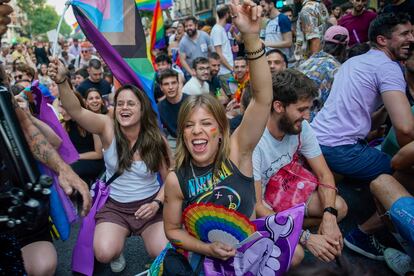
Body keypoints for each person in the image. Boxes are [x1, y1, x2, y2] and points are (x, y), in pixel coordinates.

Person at [163, 0, 274, 272]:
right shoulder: (176, 179)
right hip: (202, 259)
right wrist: (206, 248)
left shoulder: (239, 151)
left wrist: (251, 36)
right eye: (189, 125)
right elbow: (173, 230)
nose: (197, 130)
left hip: (249, 256)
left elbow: (262, 99)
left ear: (221, 131)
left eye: (206, 123)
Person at [48, 58, 171, 273]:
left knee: (162, 252)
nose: (124, 107)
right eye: (120, 103)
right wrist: (62, 81)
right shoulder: (106, 126)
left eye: (130, 103)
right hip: (116, 207)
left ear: (142, 109)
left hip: (150, 206)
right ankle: (118, 247)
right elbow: (75, 111)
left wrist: (157, 204)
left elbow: (170, 177)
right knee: (104, 252)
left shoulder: (156, 139)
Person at [311, 13, 414, 260]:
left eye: (412, 32)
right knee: (399, 174)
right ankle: (364, 234)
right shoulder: (389, 67)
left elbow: (359, 111)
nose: (412, 39)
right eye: (404, 34)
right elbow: (406, 129)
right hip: (340, 149)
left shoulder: (355, 62)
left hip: (317, 139)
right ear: (382, 40)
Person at [253, 69, 347, 263]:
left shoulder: (301, 127)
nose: (308, 116)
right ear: (278, 106)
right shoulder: (255, 142)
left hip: (285, 193)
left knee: (339, 207)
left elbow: (324, 174)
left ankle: (295, 230)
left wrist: (329, 217)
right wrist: (306, 237)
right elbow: (257, 206)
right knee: (295, 255)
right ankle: (296, 233)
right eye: (302, 109)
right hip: (261, 211)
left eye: (309, 109)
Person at [297, 25, 349, 120]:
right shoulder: (338, 70)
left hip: (296, 119)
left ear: (323, 43)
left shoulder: (306, 62)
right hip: (315, 124)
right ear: (345, 47)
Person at [59, 92, 105, 185]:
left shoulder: (91, 121)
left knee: (69, 171)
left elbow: (99, 154)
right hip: (76, 161)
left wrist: (76, 157)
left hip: (94, 162)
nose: (61, 111)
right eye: (60, 106)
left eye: (64, 107)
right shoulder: (65, 125)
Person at [157, 69, 188, 151]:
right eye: (166, 84)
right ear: (161, 87)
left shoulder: (190, 101)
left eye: (173, 83)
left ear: (178, 84)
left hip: (192, 137)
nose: (170, 87)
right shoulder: (159, 108)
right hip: (174, 140)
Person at [210, 5, 235, 93]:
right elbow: (219, 54)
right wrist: (231, 68)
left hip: (227, 71)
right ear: (226, 14)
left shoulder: (221, 29)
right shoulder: (217, 30)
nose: (232, 16)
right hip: (224, 72)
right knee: (232, 97)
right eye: (230, 13)